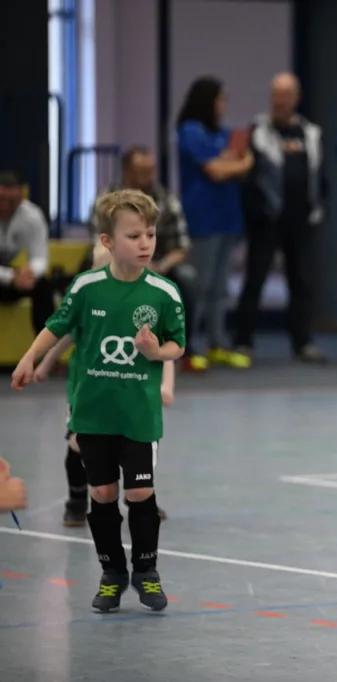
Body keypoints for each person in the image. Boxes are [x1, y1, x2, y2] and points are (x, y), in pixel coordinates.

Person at [11, 189, 186, 614]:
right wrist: (30, 357)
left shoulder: (164, 293)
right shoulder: (87, 287)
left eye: (149, 235)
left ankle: (147, 571)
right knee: (103, 493)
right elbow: (57, 325)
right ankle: (112, 574)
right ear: (107, 242)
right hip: (93, 414)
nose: (145, 244)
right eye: (134, 236)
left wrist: (154, 352)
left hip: (138, 415)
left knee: (140, 491)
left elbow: (177, 347)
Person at [34, 242, 173, 526]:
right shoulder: (87, 302)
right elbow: (63, 337)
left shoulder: (145, 307)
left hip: (133, 392)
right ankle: (76, 499)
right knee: (78, 444)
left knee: (140, 443)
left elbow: (165, 352)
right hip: (89, 392)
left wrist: (166, 386)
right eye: (98, 268)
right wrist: (45, 363)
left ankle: (142, 495)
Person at [234, 72, 327, 363]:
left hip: (300, 222)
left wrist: (319, 204)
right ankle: (243, 341)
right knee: (255, 281)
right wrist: (257, 211)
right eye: (276, 94)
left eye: (286, 95)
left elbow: (319, 175)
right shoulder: (257, 133)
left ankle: (302, 343)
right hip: (266, 222)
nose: (280, 101)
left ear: (296, 98)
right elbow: (247, 176)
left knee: (301, 283)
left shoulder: (310, 134)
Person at [91, 147, 206, 372]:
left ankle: (184, 347)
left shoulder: (165, 199)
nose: (149, 176)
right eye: (142, 171)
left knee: (188, 278)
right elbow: (99, 240)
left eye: (151, 171)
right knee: (87, 275)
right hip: (115, 261)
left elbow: (181, 246)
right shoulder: (107, 199)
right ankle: (92, 346)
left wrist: (159, 266)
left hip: (159, 264)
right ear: (126, 172)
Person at [176, 76, 252, 369]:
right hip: (202, 219)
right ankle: (190, 344)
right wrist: (239, 164)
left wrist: (233, 163)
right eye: (219, 99)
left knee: (221, 287)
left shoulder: (224, 133)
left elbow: (238, 163)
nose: (223, 105)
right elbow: (216, 171)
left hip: (227, 218)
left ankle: (218, 341)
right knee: (199, 284)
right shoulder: (190, 131)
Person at [0, 171, 54, 335]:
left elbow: (40, 258)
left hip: (14, 276)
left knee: (43, 286)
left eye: (12, 201)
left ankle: (46, 351)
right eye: (1, 200)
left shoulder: (32, 215)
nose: (5, 206)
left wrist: (29, 273)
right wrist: (11, 277)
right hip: (6, 276)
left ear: (21, 197)